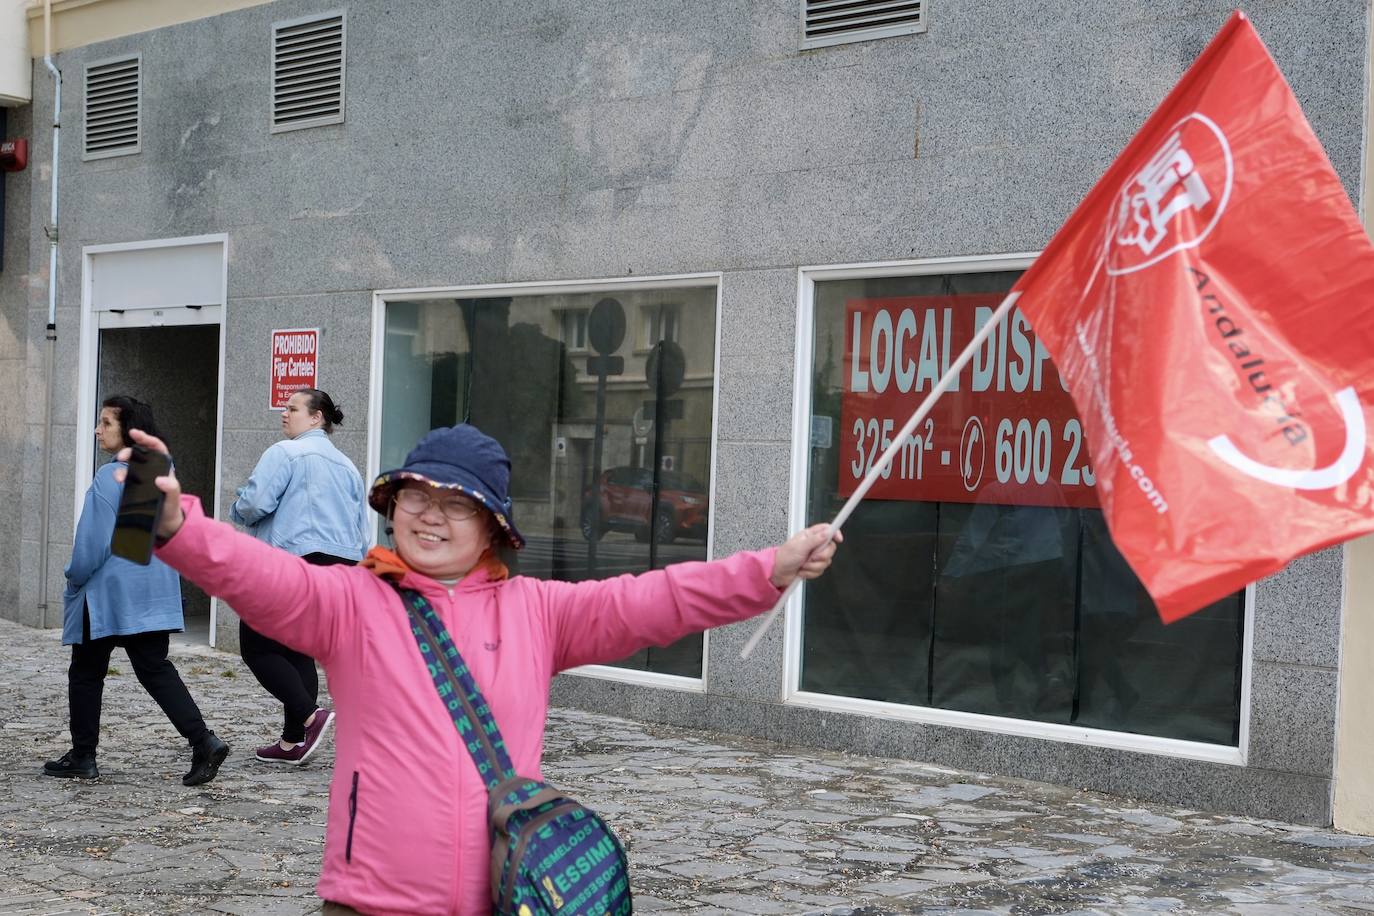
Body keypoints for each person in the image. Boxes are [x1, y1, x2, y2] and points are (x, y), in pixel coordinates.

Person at [126, 422, 839, 914]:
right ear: (392, 504)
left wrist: (767, 570)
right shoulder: (348, 601)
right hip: (373, 897)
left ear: (493, 526)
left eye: (455, 505)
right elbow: (259, 575)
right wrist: (173, 525)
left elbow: (653, 600)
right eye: (416, 497)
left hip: (510, 895)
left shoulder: (540, 612)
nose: (430, 516)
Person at [44, 395, 229, 787]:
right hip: (152, 591)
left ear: (128, 429)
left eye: (105, 423)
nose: (97, 430)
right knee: (156, 670)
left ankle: (83, 756)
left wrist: (73, 576)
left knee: (86, 672)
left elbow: (92, 548)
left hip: (107, 595)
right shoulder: (160, 471)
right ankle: (203, 740)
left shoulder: (109, 479)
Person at [230, 388, 367, 765]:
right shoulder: (347, 465)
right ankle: (292, 742)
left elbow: (255, 503)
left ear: (316, 416)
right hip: (340, 567)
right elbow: (361, 526)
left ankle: (310, 717)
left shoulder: (285, 452)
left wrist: (238, 509)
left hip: (291, 560)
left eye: (292, 408)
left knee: (256, 646)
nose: (283, 414)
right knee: (297, 649)